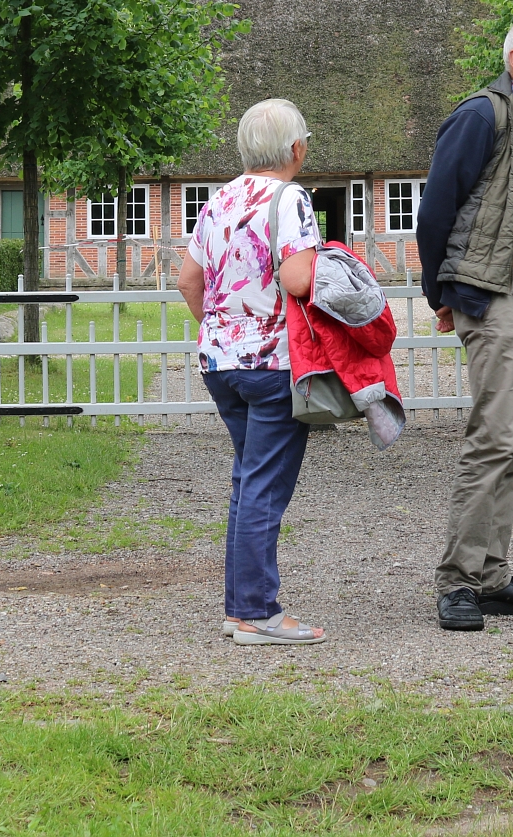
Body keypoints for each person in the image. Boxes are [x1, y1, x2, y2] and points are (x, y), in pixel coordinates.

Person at [416, 16, 513, 631]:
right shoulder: (483, 116)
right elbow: (436, 208)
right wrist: (442, 294)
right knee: (490, 439)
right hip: (498, 288)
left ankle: (492, 576)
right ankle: (457, 581)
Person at [177, 98, 326, 646]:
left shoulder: (219, 199)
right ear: (296, 149)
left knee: (247, 480)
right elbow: (297, 280)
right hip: (272, 363)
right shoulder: (291, 198)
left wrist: (224, 333)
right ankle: (259, 614)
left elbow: (189, 282)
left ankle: (241, 611)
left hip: (221, 364)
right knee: (263, 484)